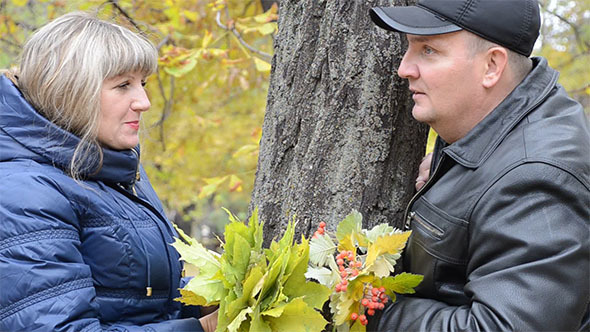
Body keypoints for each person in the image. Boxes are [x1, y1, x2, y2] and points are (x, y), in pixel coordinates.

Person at [369, 0, 590, 331]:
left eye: (428, 50)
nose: (404, 68)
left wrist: (374, 309)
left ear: (491, 66)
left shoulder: (538, 178)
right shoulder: (488, 120)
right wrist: (450, 169)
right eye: (409, 47)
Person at [0, 12, 217, 331]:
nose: (143, 101)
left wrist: (228, 293)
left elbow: (137, 299)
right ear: (71, 92)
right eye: (123, 85)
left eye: (142, 84)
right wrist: (208, 328)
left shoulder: (116, 172)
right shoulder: (23, 193)